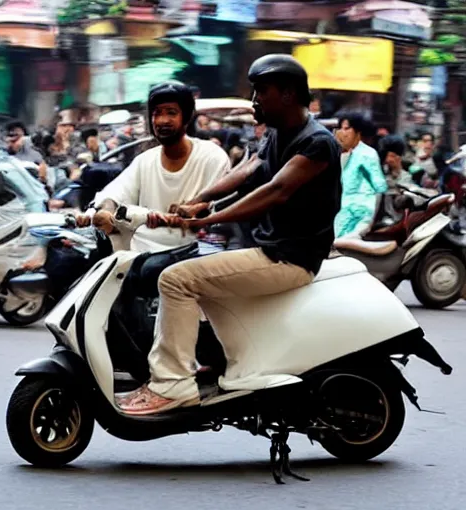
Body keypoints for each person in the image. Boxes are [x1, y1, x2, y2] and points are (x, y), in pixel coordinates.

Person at [117, 55, 342, 415]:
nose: (254, 100)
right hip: (270, 249)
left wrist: (208, 218)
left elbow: (274, 191)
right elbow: (249, 170)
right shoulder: (278, 133)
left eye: (261, 92)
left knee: (175, 280)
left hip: (289, 258)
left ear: (286, 94)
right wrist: (200, 201)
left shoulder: (316, 143)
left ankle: (171, 383)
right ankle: (223, 361)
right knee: (197, 271)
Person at [77, 81, 231, 253]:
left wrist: (191, 214)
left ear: (187, 117)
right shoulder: (145, 161)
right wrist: (106, 211)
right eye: (157, 113)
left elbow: (216, 209)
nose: (162, 120)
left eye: (171, 113)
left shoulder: (212, 157)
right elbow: (114, 194)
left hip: (193, 251)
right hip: (142, 250)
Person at [334, 111, 386, 238]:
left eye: (347, 128)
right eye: (340, 128)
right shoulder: (342, 153)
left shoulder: (368, 154)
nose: (342, 132)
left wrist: (368, 221)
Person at [4, 121, 49, 187]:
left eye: (17, 135)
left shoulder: (31, 146)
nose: (15, 141)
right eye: (11, 135)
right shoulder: (3, 155)